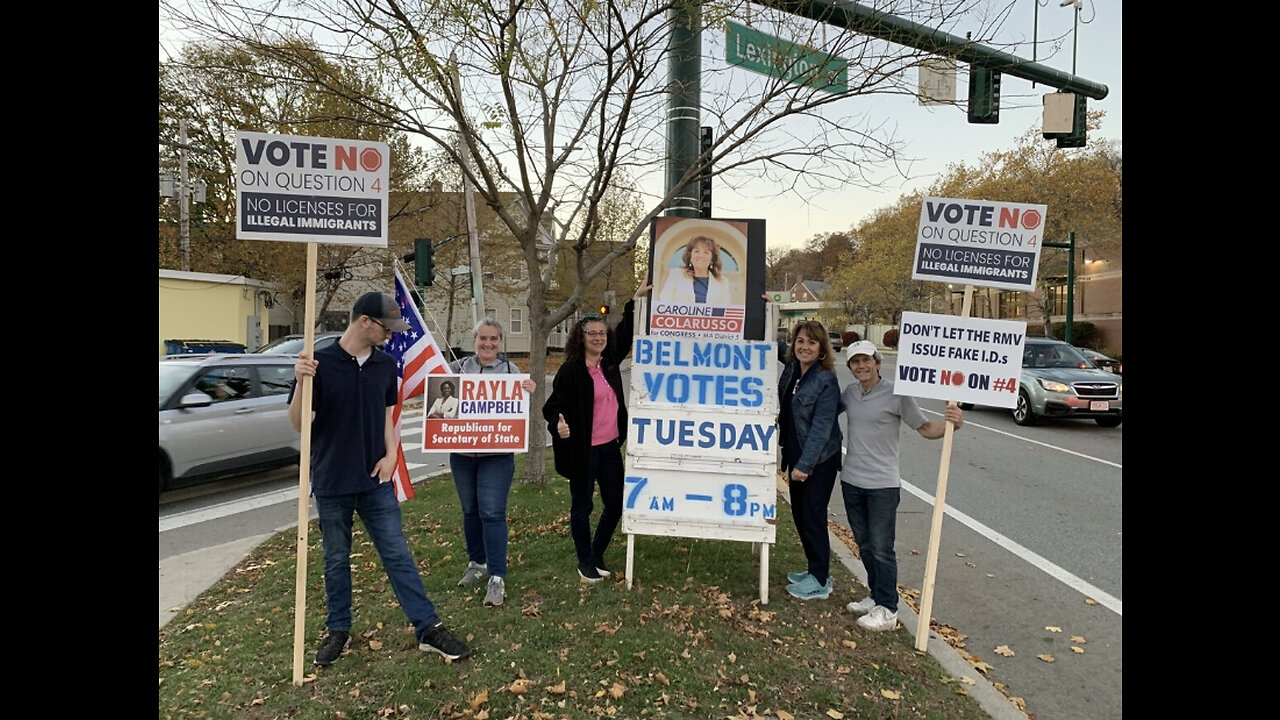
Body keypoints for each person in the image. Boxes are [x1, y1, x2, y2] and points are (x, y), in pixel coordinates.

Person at [288, 291, 472, 666]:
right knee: (336, 560)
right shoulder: (319, 363)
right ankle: (338, 629)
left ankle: (428, 628)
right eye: (387, 326)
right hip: (332, 482)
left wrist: (391, 456)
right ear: (365, 322)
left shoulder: (386, 366)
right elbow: (298, 425)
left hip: (376, 483)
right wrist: (301, 383)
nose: (392, 333)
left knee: (398, 556)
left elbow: (389, 417)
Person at [838, 340, 963, 632]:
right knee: (865, 544)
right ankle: (876, 596)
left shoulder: (897, 394)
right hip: (851, 481)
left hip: (882, 485)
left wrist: (952, 425)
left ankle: (889, 609)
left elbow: (924, 428)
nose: (861, 366)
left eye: (866, 360)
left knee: (882, 547)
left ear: (877, 363)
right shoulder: (850, 394)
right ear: (850, 367)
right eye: (855, 362)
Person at [542, 279, 650, 583]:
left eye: (602, 333)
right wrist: (558, 424)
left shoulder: (610, 364)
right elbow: (552, 407)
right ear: (581, 337)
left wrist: (634, 300)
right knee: (582, 505)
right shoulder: (572, 370)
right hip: (583, 450)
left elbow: (626, 333)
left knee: (615, 503)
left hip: (609, 448)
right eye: (592, 333)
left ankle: (596, 551)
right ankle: (584, 561)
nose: (599, 338)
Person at [445, 319, 537, 608]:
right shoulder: (458, 369)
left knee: (492, 512)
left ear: (501, 341)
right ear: (474, 340)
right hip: (462, 455)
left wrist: (528, 392)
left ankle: (497, 577)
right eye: (483, 338)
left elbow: (519, 411)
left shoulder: (512, 372)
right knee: (470, 510)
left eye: (494, 339)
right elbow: (434, 394)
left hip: (497, 455)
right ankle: (477, 563)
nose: (488, 344)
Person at [777, 320, 844, 600]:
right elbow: (774, 343)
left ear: (822, 350)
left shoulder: (825, 380)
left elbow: (821, 427)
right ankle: (814, 569)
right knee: (800, 515)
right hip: (796, 455)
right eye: (800, 341)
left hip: (818, 461)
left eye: (811, 343)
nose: (804, 347)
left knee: (813, 516)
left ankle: (820, 579)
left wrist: (805, 466)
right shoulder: (795, 368)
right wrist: (768, 308)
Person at [657, 235, 735, 305]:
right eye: (697, 251)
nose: (701, 256)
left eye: (706, 252)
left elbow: (725, 310)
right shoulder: (676, 275)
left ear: (712, 260)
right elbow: (663, 303)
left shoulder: (723, 282)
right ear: (690, 256)